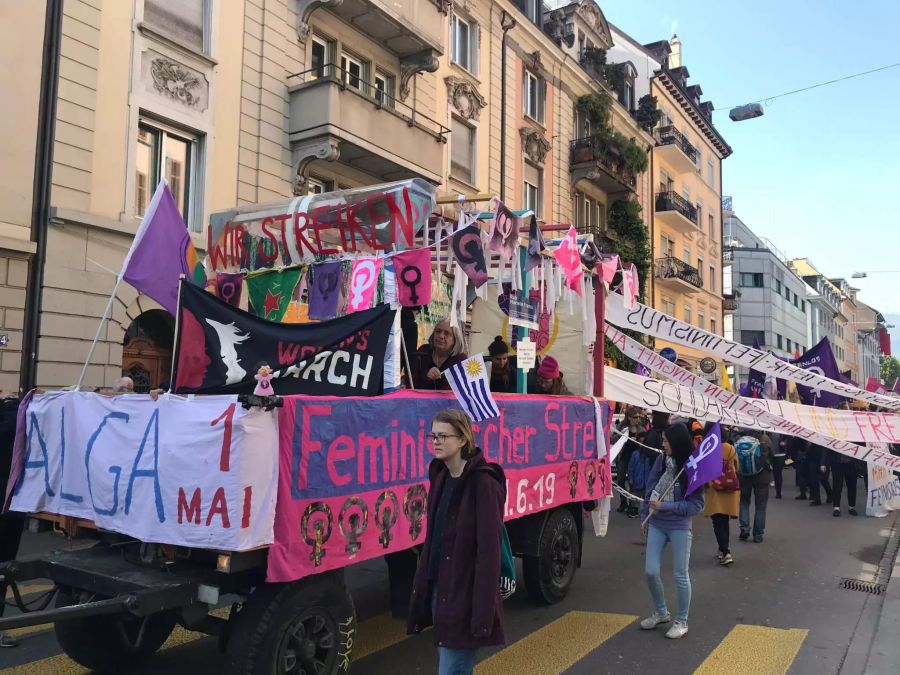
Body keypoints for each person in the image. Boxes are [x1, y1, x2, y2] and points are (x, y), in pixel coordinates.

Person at [408, 410, 506, 674]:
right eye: (433, 435)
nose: (436, 442)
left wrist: (482, 613)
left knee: (452, 669)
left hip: (466, 595)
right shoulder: (440, 475)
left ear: (463, 439)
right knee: (453, 666)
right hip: (440, 589)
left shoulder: (483, 484)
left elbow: (489, 553)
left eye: (443, 436)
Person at [639, 422, 704, 639]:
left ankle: (682, 621)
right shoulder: (661, 460)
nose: (662, 444)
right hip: (656, 523)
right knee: (650, 570)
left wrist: (665, 506)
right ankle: (661, 612)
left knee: (680, 575)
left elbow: (696, 506)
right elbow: (650, 488)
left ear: (676, 443)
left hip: (679, 527)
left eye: (666, 441)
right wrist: (644, 517)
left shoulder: (692, 468)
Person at [0, 394, 23, 648]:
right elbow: (9, 428)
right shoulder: (9, 417)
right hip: (7, 509)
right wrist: (12, 404)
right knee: (3, 567)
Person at [703, 424, 740, 566]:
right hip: (729, 489)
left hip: (714, 489)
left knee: (717, 521)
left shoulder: (707, 448)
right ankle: (723, 549)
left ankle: (725, 551)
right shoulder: (730, 448)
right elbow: (736, 467)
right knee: (724, 521)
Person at [735, 429, 774, 543]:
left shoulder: (739, 440)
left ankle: (744, 528)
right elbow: (772, 455)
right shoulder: (765, 439)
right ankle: (758, 534)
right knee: (761, 505)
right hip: (762, 477)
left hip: (743, 476)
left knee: (744, 502)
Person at [409, 319, 468, 391]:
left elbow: (457, 391)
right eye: (438, 331)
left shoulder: (461, 361)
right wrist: (427, 378)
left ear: (455, 339)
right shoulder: (423, 352)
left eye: (447, 333)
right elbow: (410, 383)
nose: (441, 336)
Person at [823, 449, 859, 517]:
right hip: (837, 463)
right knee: (837, 486)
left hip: (851, 463)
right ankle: (836, 507)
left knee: (852, 486)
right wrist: (823, 463)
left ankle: (851, 507)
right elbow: (826, 448)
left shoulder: (855, 438)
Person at [790, 436, 810, 501]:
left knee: (801, 475)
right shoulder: (800, 437)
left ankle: (803, 493)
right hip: (801, 456)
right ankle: (805, 492)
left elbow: (798, 447)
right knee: (803, 475)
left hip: (800, 456)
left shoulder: (798, 438)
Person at [771, 432, 786, 499]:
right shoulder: (768, 432)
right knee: (776, 473)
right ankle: (778, 492)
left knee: (777, 473)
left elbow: (789, 439)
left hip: (780, 455)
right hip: (772, 455)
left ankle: (778, 492)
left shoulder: (782, 432)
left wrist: (785, 443)